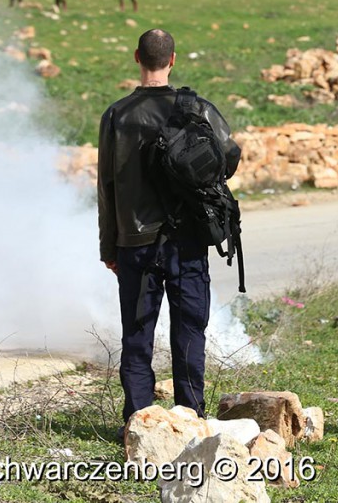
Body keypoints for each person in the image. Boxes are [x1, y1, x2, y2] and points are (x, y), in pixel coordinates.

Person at [98, 29, 241, 439]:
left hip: (135, 243)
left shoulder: (117, 115)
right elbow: (228, 156)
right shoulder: (197, 108)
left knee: (137, 334)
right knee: (190, 329)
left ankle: (138, 423)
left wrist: (109, 246)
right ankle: (191, 417)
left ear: (136, 58)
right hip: (189, 239)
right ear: (173, 60)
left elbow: (106, 187)